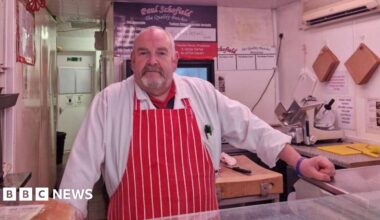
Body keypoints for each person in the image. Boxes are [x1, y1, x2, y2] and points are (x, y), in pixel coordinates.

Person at [60, 26, 335, 219]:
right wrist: (68, 212)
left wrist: (300, 163)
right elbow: (80, 170)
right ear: (132, 60)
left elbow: (252, 128)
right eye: (143, 53)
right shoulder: (109, 102)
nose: (152, 61)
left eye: (161, 53)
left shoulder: (201, 93)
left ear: (175, 60)